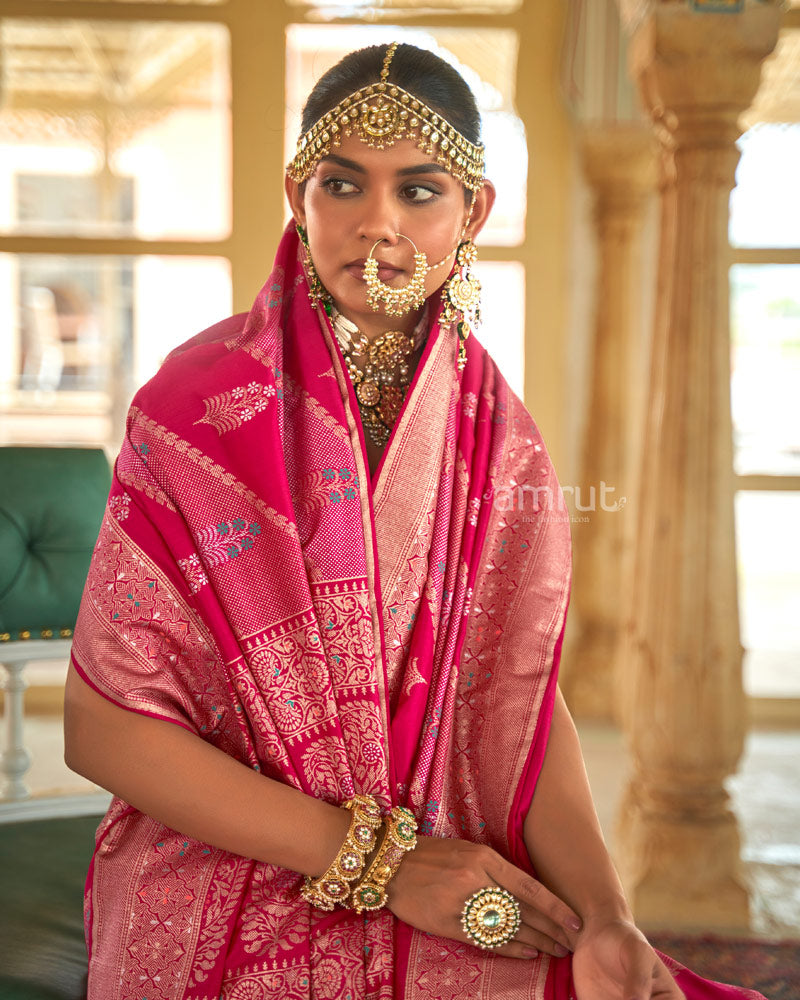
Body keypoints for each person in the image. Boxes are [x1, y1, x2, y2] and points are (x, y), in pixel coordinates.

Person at [64, 42, 765, 1000]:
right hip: (230, 857)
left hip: (444, 847)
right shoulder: (195, 408)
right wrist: (380, 868)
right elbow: (102, 731)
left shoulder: (493, 431)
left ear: (473, 209)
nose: (378, 226)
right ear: (296, 196)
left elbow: (515, 689)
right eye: (344, 185)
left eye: (420, 191)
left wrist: (606, 912)